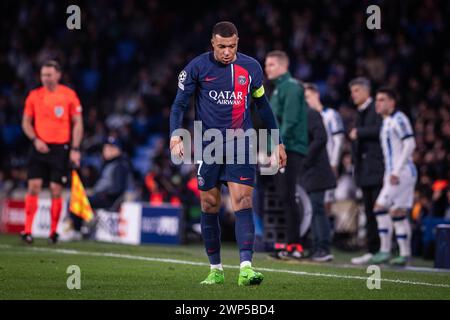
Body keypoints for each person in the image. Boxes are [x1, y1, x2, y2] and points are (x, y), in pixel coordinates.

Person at [169, 21, 286, 286]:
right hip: (209, 146)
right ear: (212, 43)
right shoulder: (196, 68)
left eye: (231, 46)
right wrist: (176, 133)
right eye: (221, 46)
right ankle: (216, 269)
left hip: (241, 142)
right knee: (209, 205)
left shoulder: (251, 68)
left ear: (237, 42)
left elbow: (263, 106)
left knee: (243, 201)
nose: (226, 52)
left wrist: (276, 141)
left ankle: (246, 268)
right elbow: (179, 104)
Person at [21, 60, 83, 244]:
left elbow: (78, 122)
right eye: (43, 75)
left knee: (56, 190)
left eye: (49, 75)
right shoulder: (34, 95)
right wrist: (35, 139)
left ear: (58, 75)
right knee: (33, 187)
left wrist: (75, 149)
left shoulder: (69, 95)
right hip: (39, 146)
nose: (45, 78)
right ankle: (27, 230)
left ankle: (53, 232)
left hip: (60, 149)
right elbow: (25, 122)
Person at [264, 50, 308, 259]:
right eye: (267, 65)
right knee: (283, 196)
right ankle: (290, 242)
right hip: (281, 148)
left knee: (288, 196)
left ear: (283, 66)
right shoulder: (278, 89)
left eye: (271, 64)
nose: (267, 68)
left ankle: (295, 245)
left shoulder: (290, 87)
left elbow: (289, 121)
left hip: (289, 148)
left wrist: (277, 147)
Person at [370, 87, 417, 266]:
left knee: (380, 207)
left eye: (382, 99)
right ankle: (404, 254)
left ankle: (385, 250)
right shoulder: (387, 121)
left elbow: (410, 143)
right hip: (394, 173)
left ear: (392, 102)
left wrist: (396, 171)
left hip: (401, 173)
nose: (378, 103)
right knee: (398, 213)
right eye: (377, 99)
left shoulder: (399, 119)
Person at [348, 77, 384, 265]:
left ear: (365, 91)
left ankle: (383, 248)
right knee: (369, 212)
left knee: (379, 211)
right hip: (365, 171)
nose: (353, 95)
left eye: (356, 91)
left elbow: (380, 129)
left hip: (377, 169)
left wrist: (359, 133)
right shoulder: (361, 111)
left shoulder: (375, 108)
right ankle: (373, 249)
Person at [70, 136, 131, 238]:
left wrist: (104, 194)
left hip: (108, 199)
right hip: (101, 196)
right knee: (77, 198)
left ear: (117, 151)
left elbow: (118, 188)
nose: (105, 151)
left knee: (79, 201)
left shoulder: (120, 165)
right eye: (105, 148)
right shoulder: (108, 164)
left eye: (109, 148)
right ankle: (82, 227)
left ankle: (77, 230)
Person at [300, 106, 337, 261]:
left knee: (317, 208)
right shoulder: (301, 114)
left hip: (317, 170)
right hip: (309, 171)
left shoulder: (311, 113)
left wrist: (305, 159)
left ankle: (323, 247)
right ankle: (317, 246)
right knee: (312, 209)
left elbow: (321, 137)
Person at [304, 83, 345, 214]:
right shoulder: (306, 117)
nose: (306, 100)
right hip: (312, 166)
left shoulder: (331, 115)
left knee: (325, 202)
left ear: (317, 95)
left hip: (327, 165)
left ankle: (327, 232)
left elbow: (339, 140)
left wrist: (334, 163)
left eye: (308, 96)